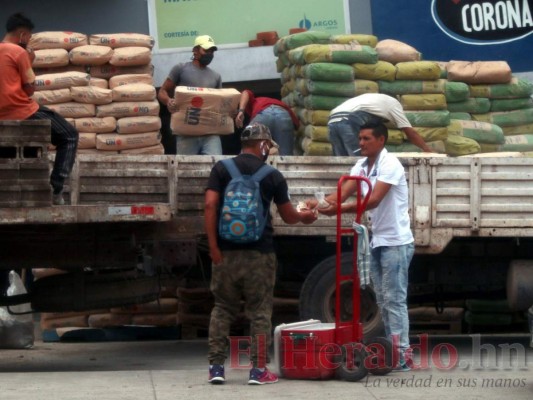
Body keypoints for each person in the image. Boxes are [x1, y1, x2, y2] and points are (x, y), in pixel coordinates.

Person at [204, 122, 317, 385]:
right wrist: (305, 218)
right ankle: (257, 371)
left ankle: (217, 369)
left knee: (222, 308)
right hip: (259, 254)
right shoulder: (272, 175)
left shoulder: (221, 169)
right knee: (259, 312)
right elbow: (289, 217)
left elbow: (210, 205)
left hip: (225, 253)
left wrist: (213, 247)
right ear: (263, 145)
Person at [307, 123, 414, 371]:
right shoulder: (362, 166)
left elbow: (373, 200)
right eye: (360, 138)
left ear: (381, 140)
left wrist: (337, 210)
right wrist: (317, 203)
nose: (361, 143)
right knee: (383, 300)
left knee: (394, 300)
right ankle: (394, 353)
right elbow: (340, 195)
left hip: (396, 243)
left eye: (366, 138)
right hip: (378, 240)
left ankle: (402, 355)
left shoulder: (390, 165)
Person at [0, 13, 78, 205]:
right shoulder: (19, 52)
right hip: (21, 110)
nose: (28, 40)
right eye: (28, 37)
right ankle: (55, 189)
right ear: (22, 35)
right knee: (69, 136)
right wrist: (30, 59)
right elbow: (29, 89)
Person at [157, 34, 223, 155]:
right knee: (186, 169)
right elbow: (162, 92)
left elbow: (220, 105)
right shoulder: (181, 69)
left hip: (210, 134)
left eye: (212, 51)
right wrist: (168, 101)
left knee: (215, 166)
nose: (210, 54)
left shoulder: (216, 76)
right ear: (195, 50)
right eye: (206, 50)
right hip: (186, 134)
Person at [328, 93, 433, 156]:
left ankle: (343, 190)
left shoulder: (372, 99)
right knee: (359, 159)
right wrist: (427, 150)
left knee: (341, 159)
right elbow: (410, 133)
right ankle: (361, 190)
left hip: (332, 120)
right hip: (349, 119)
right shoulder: (394, 104)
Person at [235, 89, 299, 156]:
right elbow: (295, 125)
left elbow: (245, 92)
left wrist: (241, 111)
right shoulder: (277, 102)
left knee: (249, 153)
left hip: (263, 113)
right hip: (283, 114)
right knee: (286, 157)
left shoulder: (254, 101)